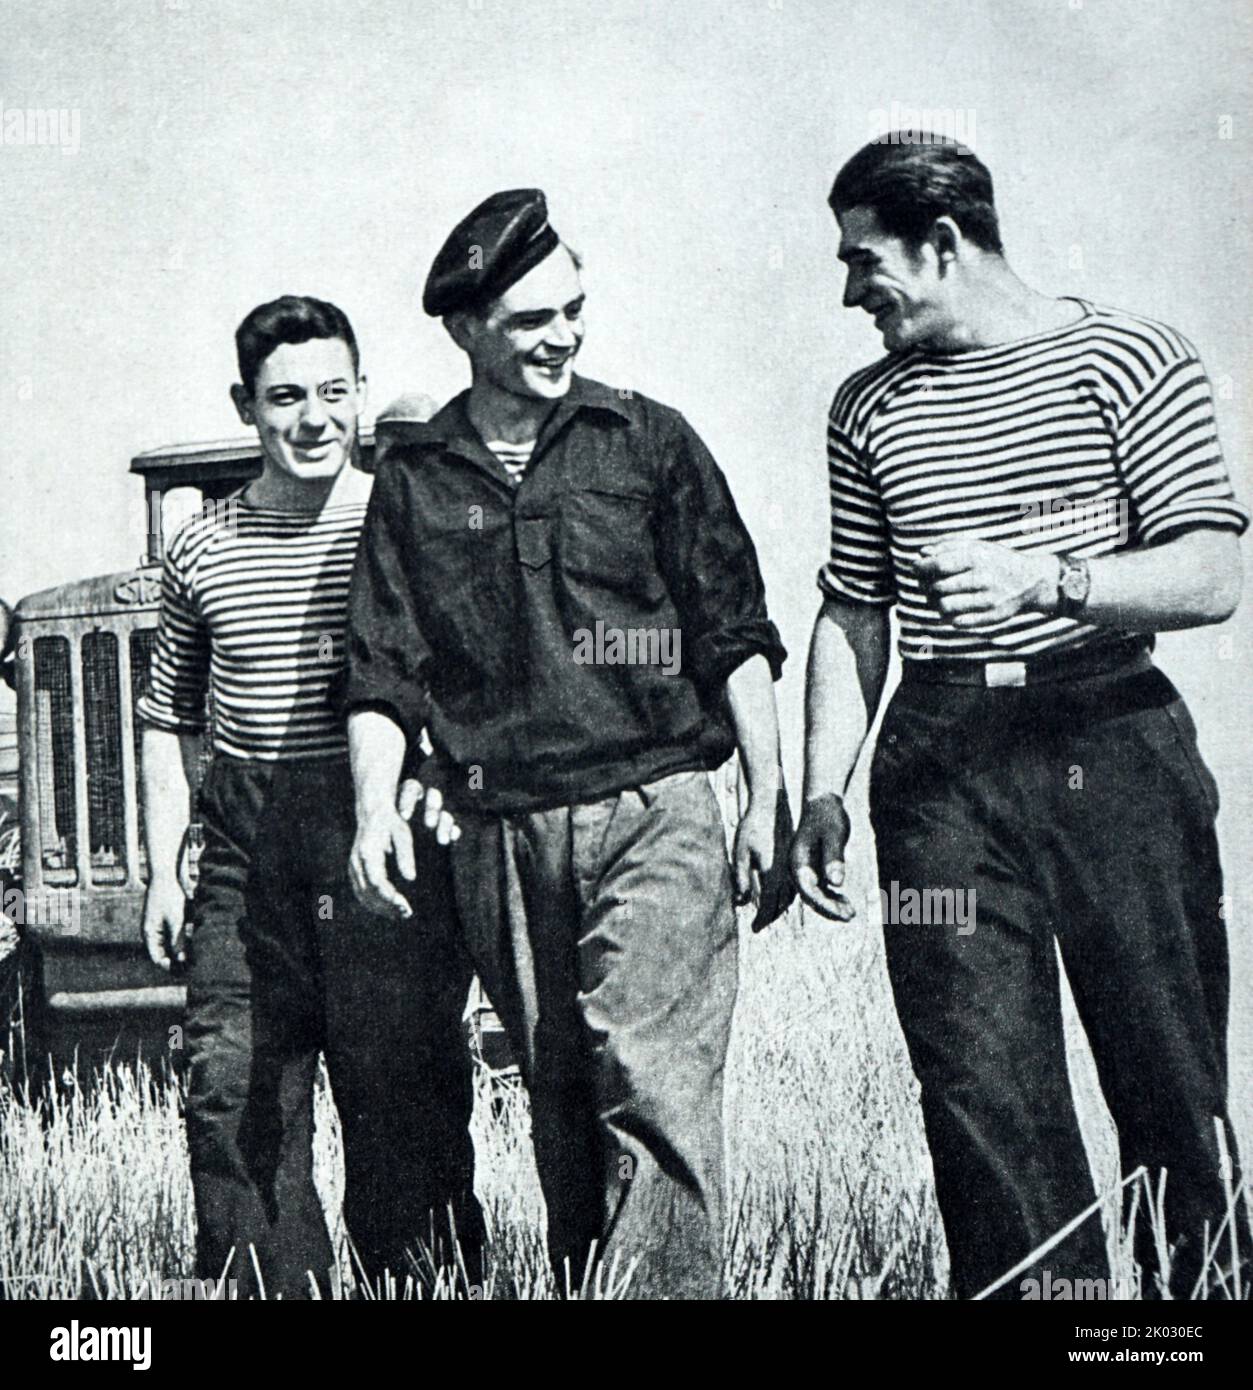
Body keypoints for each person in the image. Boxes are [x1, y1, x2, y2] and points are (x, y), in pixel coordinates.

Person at [791, 135, 1248, 1300]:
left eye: (863, 260)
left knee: (1167, 1076)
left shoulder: (1130, 357)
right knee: (980, 1099)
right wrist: (823, 790)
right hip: (937, 770)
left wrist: (1053, 578)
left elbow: (1209, 571)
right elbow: (853, 612)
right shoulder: (864, 409)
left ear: (940, 244)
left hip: (1110, 741)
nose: (849, 291)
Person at [339, 189, 793, 1299]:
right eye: (531, 320)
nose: (563, 337)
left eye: (573, 311)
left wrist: (769, 789)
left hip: (657, 804)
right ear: (465, 331)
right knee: (561, 1099)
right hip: (502, 832)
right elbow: (382, 667)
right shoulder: (415, 478)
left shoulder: (648, 442)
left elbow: (731, 627)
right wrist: (369, 811)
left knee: (647, 1073)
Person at [137, 296, 484, 1298]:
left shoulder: (399, 522)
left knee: (402, 1095)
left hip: (373, 843)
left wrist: (426, 777)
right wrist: (166, 872)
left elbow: (461, 686)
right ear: (246, 405)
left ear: (361, 395)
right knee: (234, 1091)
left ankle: (422, 1289)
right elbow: (167, 718)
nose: (313, 419)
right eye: (286, 397)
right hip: (247, 856)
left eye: (334, 393)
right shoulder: (201, 550)